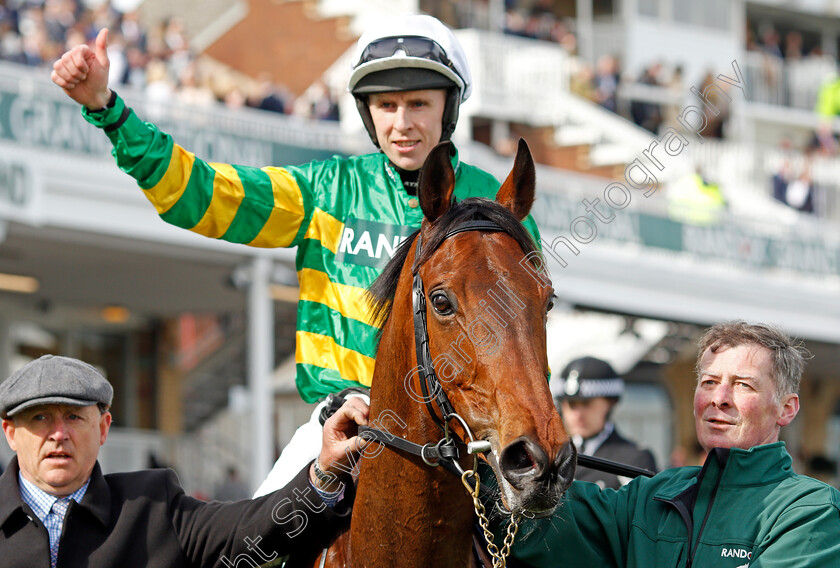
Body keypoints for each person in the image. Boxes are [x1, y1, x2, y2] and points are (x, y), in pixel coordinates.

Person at [50, 14, 541, 495]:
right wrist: (108, 110)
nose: (402, 123)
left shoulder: (497, 205)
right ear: (367, 113)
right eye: (386, 105)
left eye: (418, 104)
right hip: (338, 428)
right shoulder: (324, 190)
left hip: (466, 436)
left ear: (448, 108)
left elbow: (522, 331)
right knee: (249, 548)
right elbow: (200, 194)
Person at [507, 321, 840, 568]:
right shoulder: (651, 496)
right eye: (709, 382)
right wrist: (495, 466)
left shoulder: (812, 512)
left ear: (787, 408)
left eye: (743, 385)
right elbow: (539, 525)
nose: (719, 399)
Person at [0, 354, 368, 568]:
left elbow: (250, 528)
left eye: (74, 417)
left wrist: (322, 473)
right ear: (10, 433)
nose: (58, 434)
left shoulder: (151, 507)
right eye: (40, 418)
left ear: (103, 428)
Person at [551, 356, 657, 489]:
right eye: (571, 405)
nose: (577, 415)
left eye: (586, 404)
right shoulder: (551, 457)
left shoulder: (635, 459)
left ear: (610, 403)